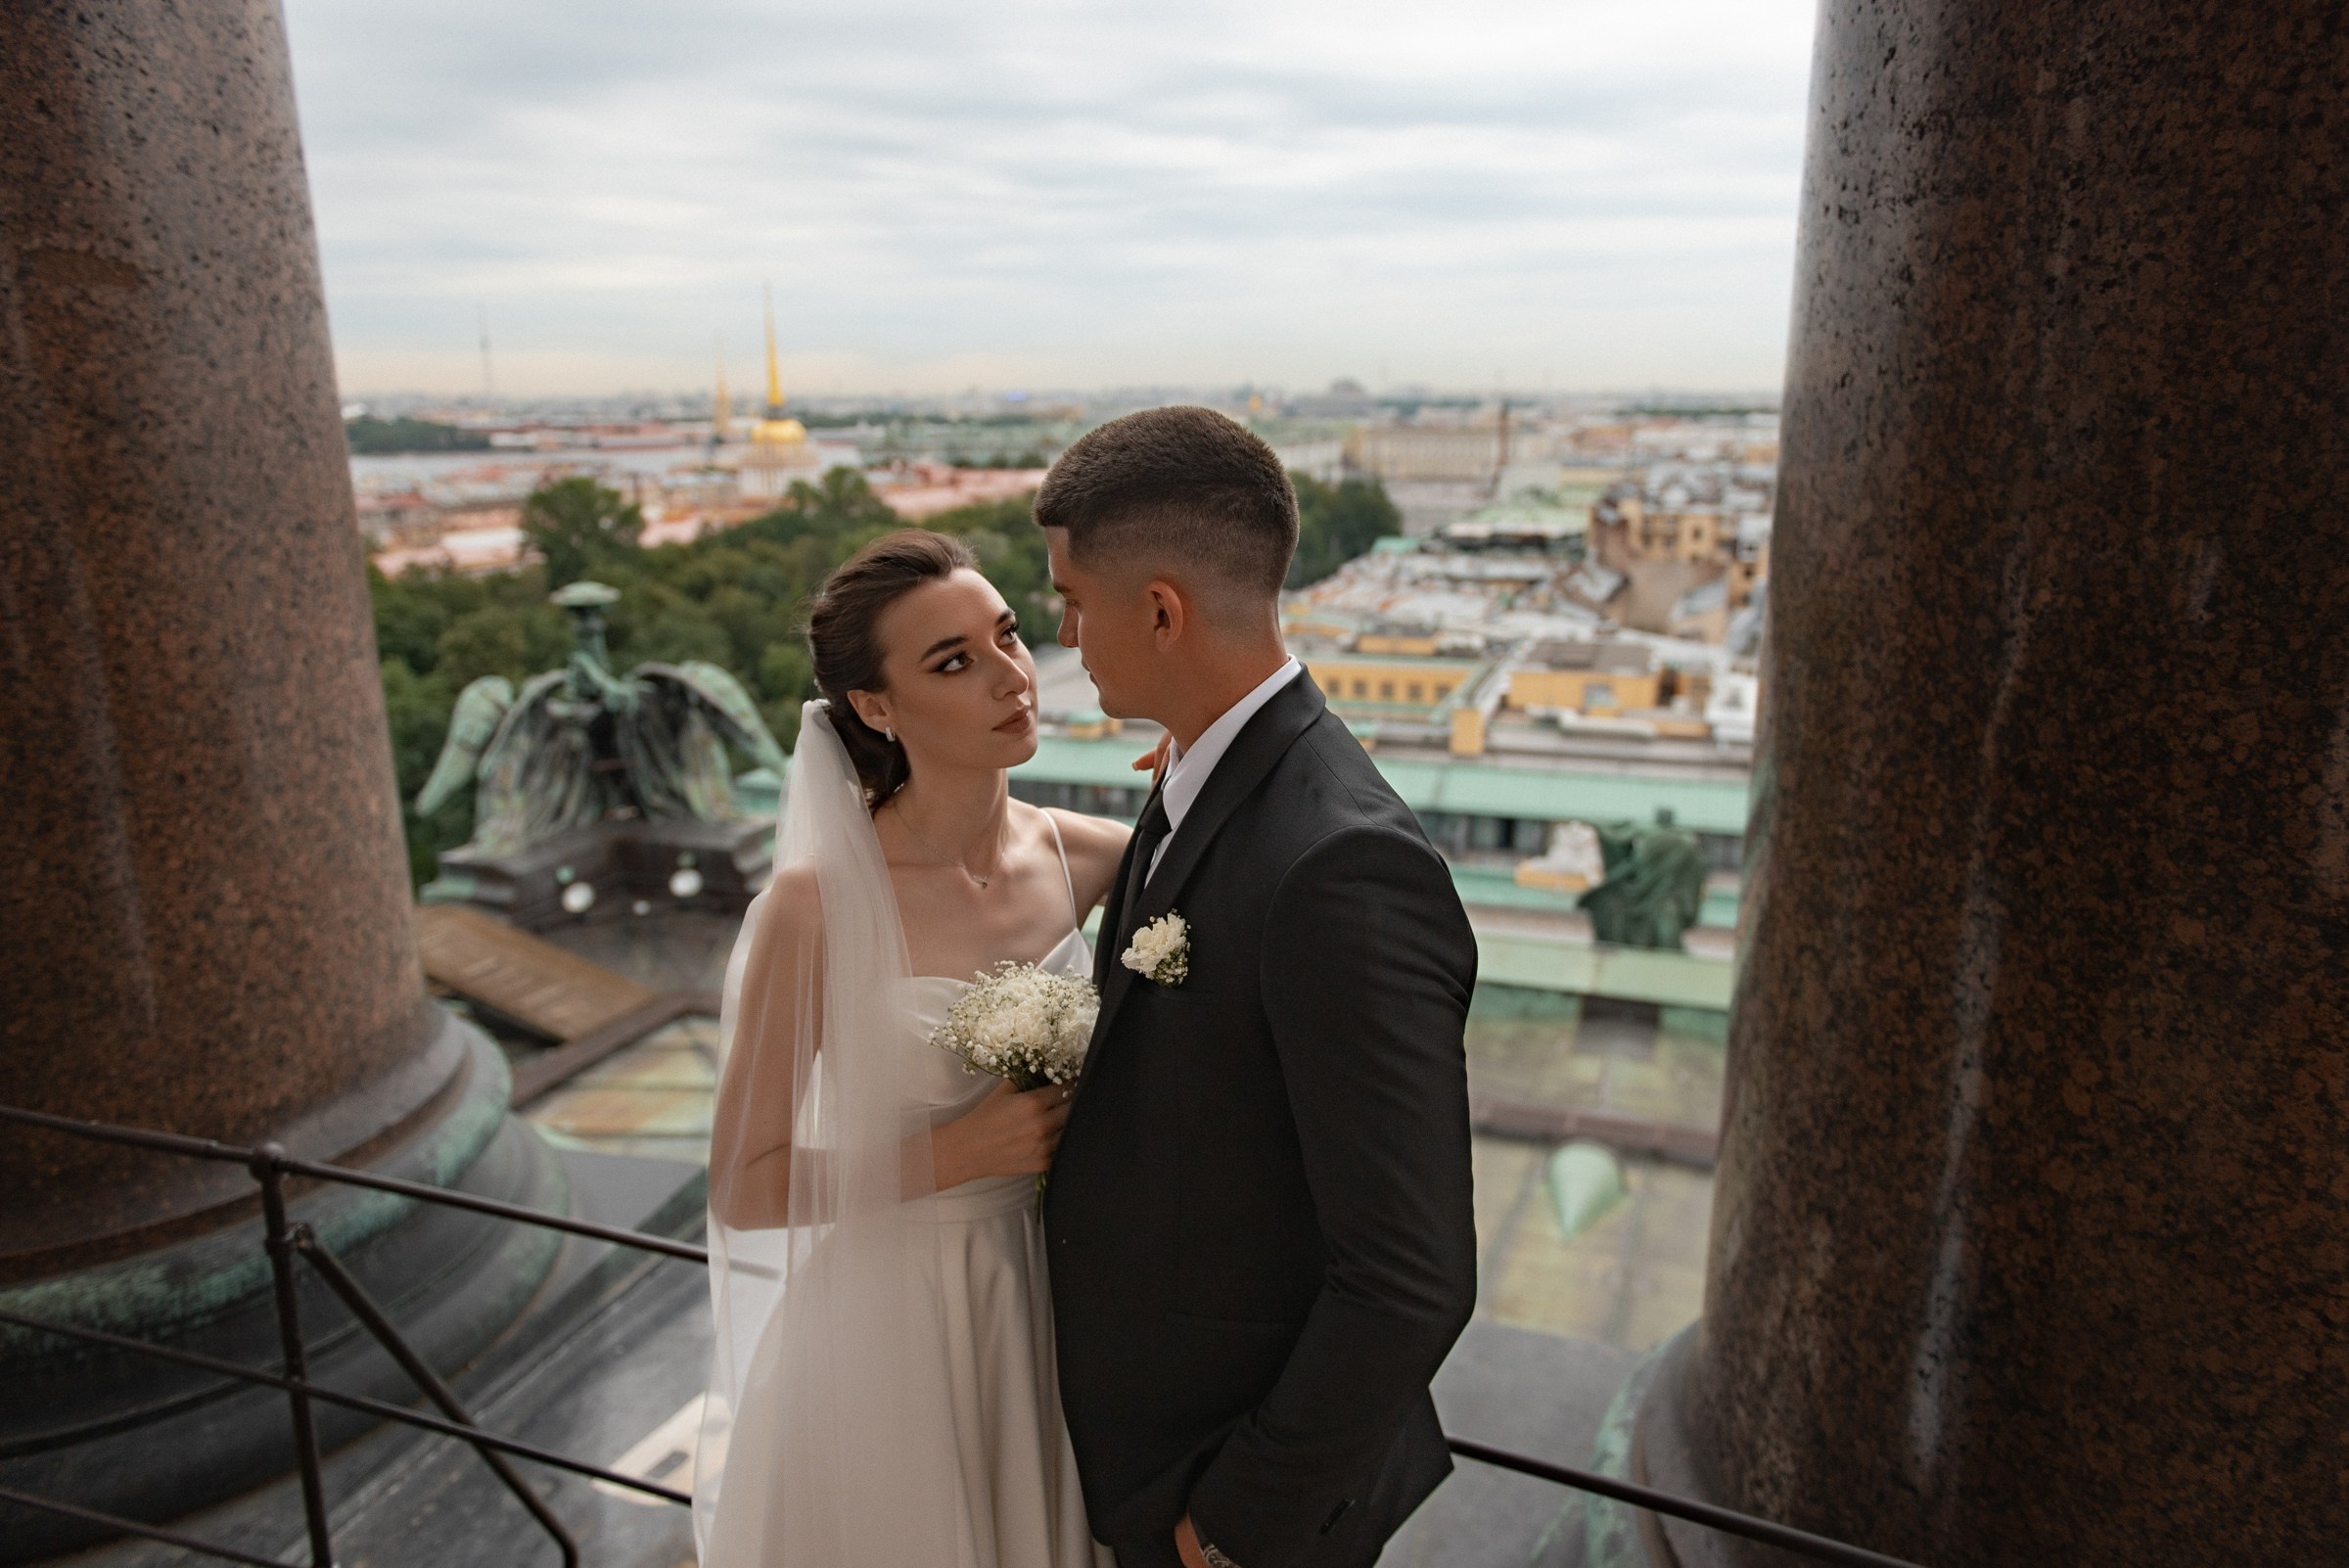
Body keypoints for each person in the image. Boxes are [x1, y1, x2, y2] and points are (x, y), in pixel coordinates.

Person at [1037, 406, 1480, 1568]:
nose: (1068, 636)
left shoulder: (1342, 866)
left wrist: (1228, 1529)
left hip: (1232, 1500)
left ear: (1162, 611)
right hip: (1152, 1457)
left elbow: (1412, 1275)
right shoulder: (1202, 761)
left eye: (1073, 604)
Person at [696, 529, 1130, 1567]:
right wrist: (966, 1152)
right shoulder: (816, 907)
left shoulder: (1091, 855)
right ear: (875, 708)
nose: (1011, 676)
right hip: (888, 1330)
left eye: (1009, 636)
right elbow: (744, 1187)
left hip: (1057, 1301)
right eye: (954, 662)